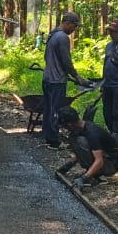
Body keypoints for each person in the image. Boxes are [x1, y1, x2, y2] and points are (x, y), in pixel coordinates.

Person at [42, 12, 92, 148]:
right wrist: (77, 76)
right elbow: (66, 61)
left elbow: (48, 58)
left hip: (47, 78)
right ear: (68, 23)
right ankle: (54, 142)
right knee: (56, 110)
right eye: (74, 26)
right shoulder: (63, 37)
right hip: (57, 80)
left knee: (48, 108)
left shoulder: (52, 35)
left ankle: (47, 137)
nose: (74, 30)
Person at [55, 105, 118, 188]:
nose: (65, 129)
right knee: (73, 137)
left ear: (70, 124)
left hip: (111, 164)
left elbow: (99, 160)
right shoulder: (79, 129)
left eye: (64, 126)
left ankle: (99, 177)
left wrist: (84, 178)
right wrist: (68, 165)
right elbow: (82, 152)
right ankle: (93, 172)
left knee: (81, 141)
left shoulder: (91, 133)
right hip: (104, 158)